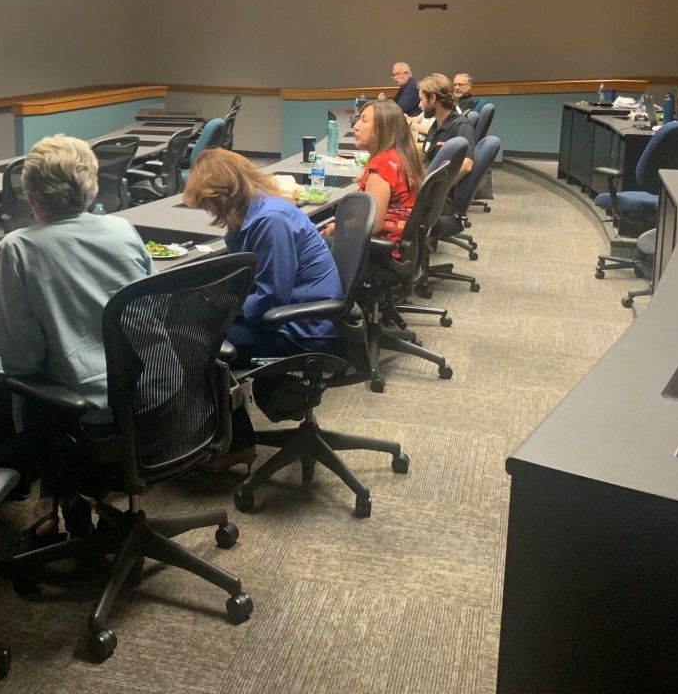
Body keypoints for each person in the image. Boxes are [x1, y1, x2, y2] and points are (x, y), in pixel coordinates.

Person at [0, 134, 152, 541]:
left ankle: (57, 493)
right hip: (157, 397)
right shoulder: (123, 229)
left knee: (20, 384)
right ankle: (62, 495)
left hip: (93, 418)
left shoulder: (18, 248)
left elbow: (21, 360)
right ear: (92, 185)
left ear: (29, 193)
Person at [183, 149, 343, 471]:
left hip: (300, 326)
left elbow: (271, 299)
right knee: (194, 324)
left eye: (210, 204)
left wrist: (228, 304)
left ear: (225, 195)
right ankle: (218, 433)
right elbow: (249, 279)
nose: (210, 212)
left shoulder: (270, 220)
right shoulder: (250, 214)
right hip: (286, 314)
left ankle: (237, 443)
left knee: (201, 346)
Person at [323, 100, 424, 248]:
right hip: (400, 239)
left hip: (382, 247)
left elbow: (374, 224)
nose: (356, 126)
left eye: (364, 121)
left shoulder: (382, 165)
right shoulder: (398, 154)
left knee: (307, 243)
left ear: (383, 130)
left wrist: (338, 227)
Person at [418, 72, 475, 182]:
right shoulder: (437, 125)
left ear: (433, 98)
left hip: (435, 192)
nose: (419, 105)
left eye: (421, 99)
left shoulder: (461, 125)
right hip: (425, 178)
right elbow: (429, 148)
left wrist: (434, 189)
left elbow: (466, 165)